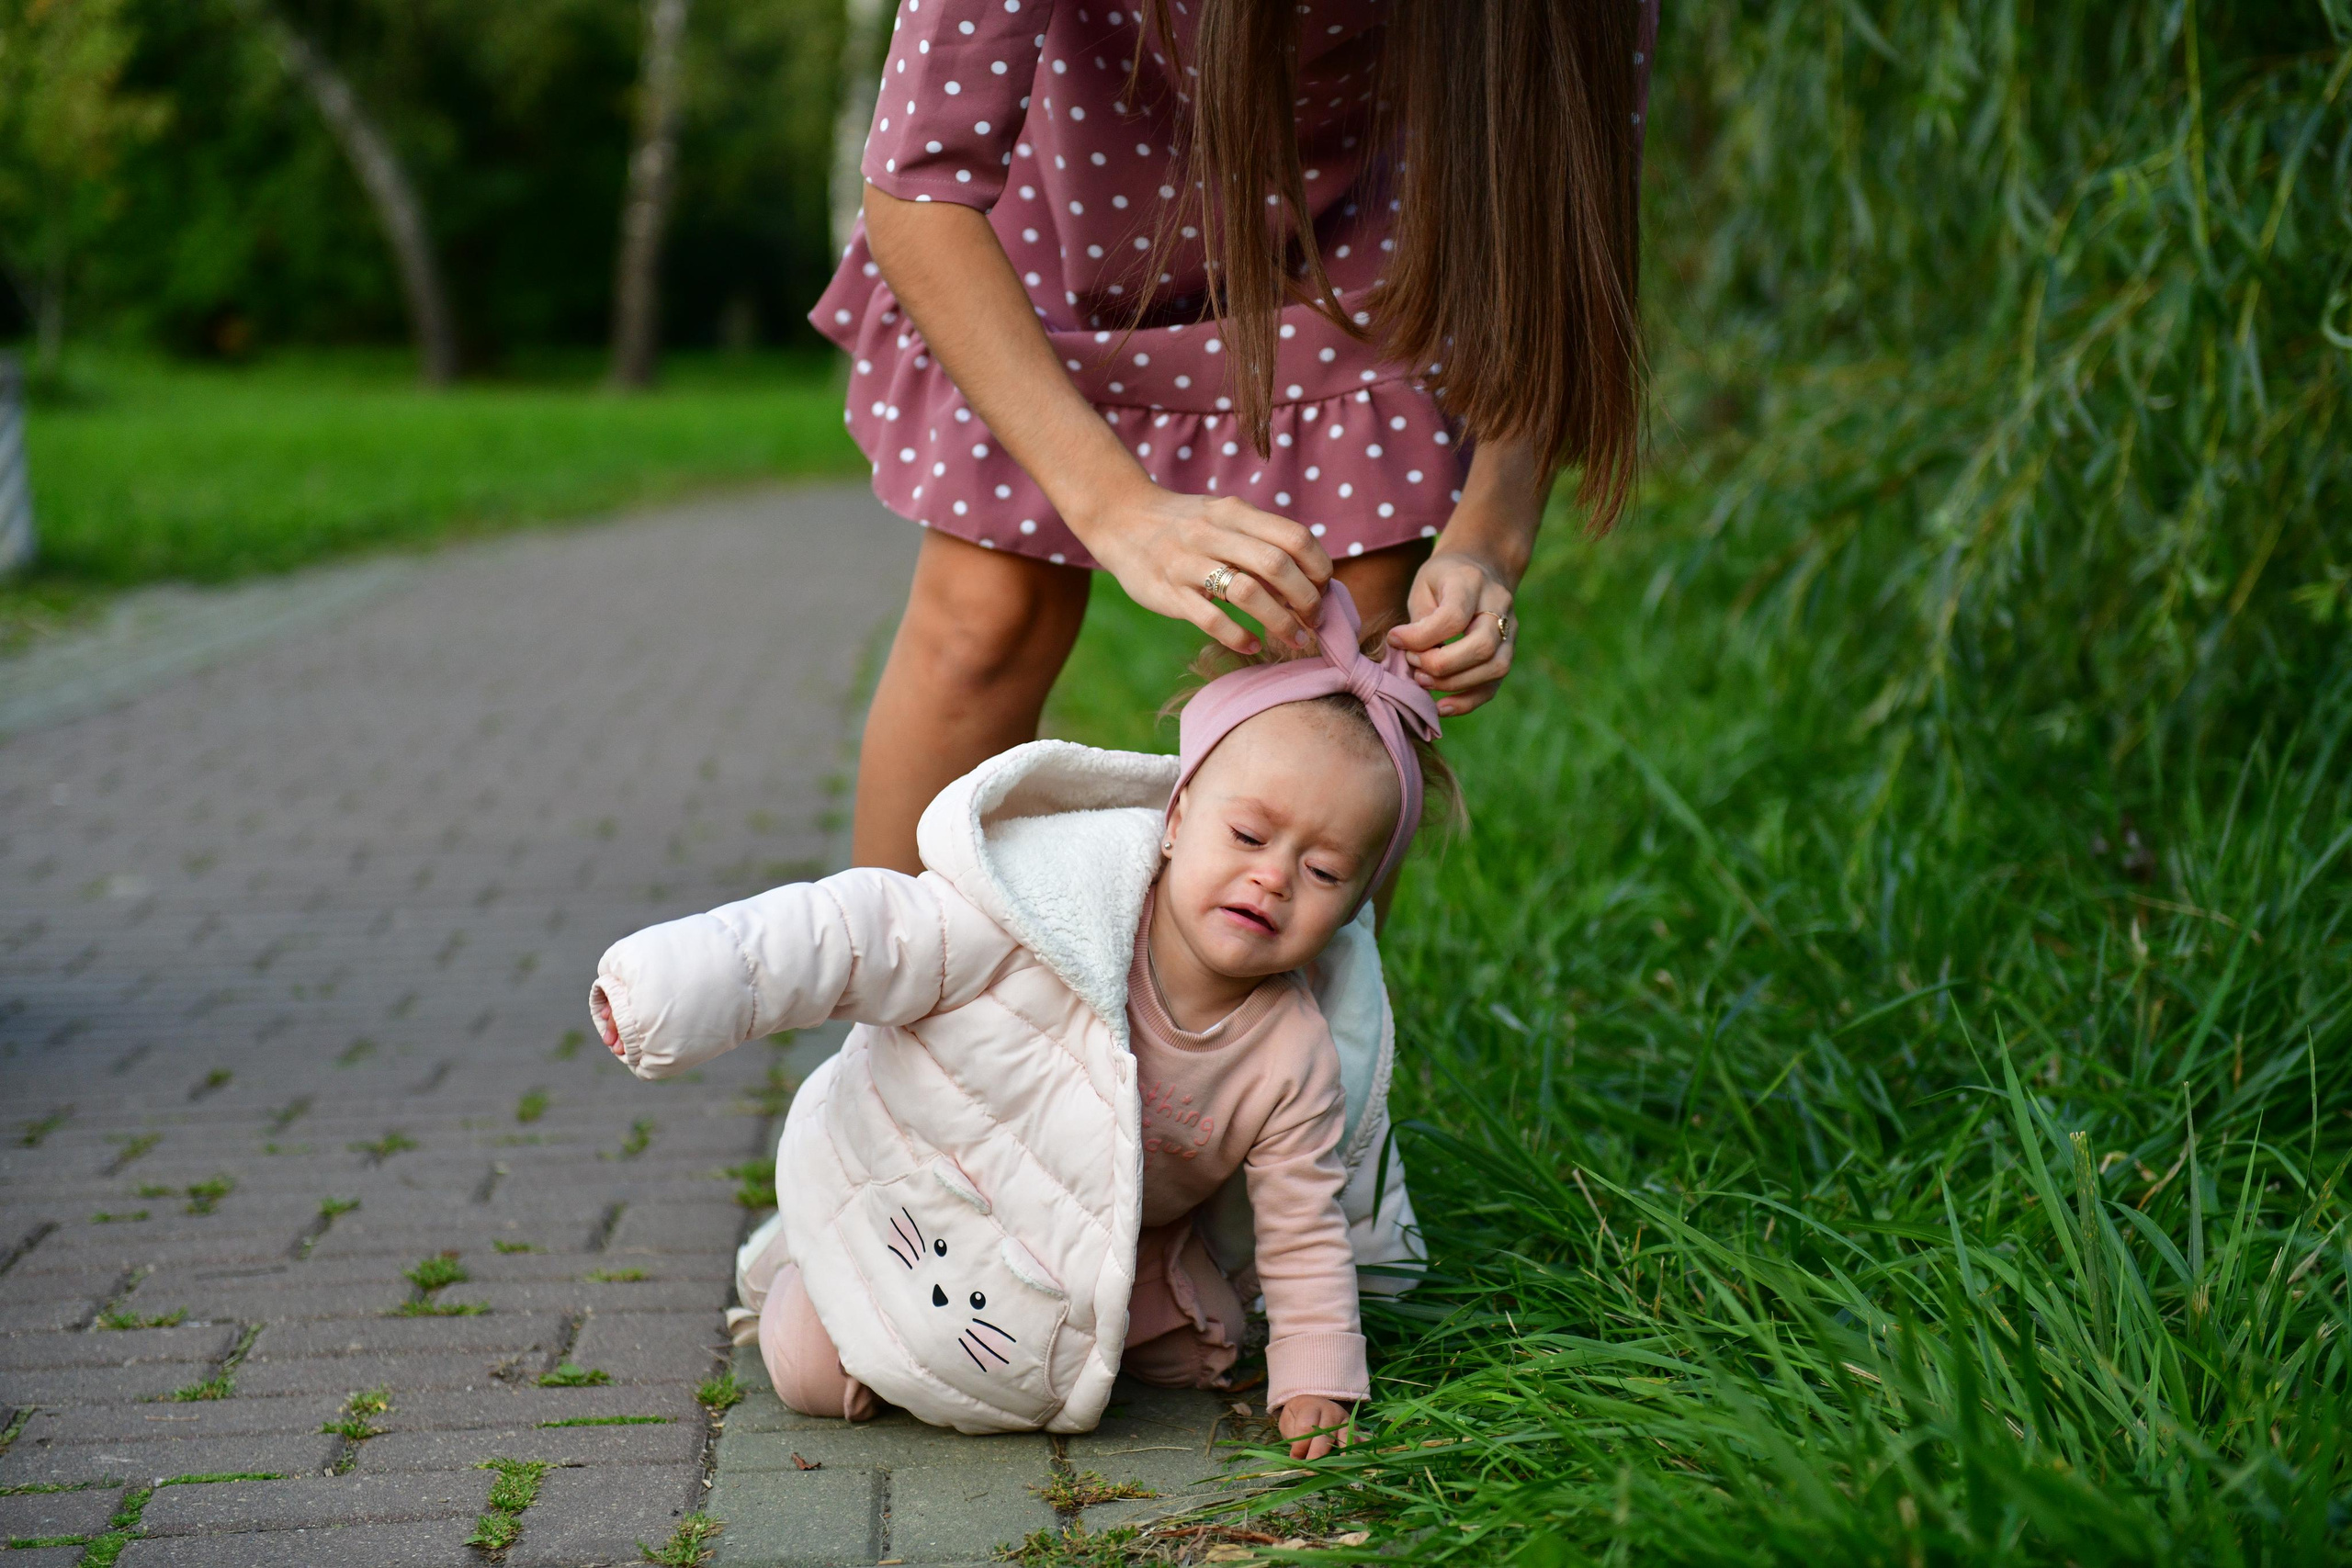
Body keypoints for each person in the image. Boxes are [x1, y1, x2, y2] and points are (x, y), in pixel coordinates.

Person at [588, 584, 1449, 1458]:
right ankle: (811, 1262)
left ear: (1353, 911)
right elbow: (858, 935)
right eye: (1251, 835)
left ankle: (1039, 1334)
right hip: (930, 1180)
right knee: (815, 1371)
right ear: (1177, 817)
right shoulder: (1042, 917)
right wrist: (674, 986)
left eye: (1325, 870)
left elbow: (1302, 1219)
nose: (1273, 879)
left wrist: (1317, 1374)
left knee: (1210, 1341)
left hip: (1101, 1234)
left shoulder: (1293, 1052)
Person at [815, 0, 1657, 874]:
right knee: (985, 621)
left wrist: (1488, 541)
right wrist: (1119, 508)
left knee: (1344, 659)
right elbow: (918, 186)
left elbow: (1562, 229)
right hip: (1062, 186)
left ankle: (1283, 1013)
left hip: (1370, 221)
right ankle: (905, 992)